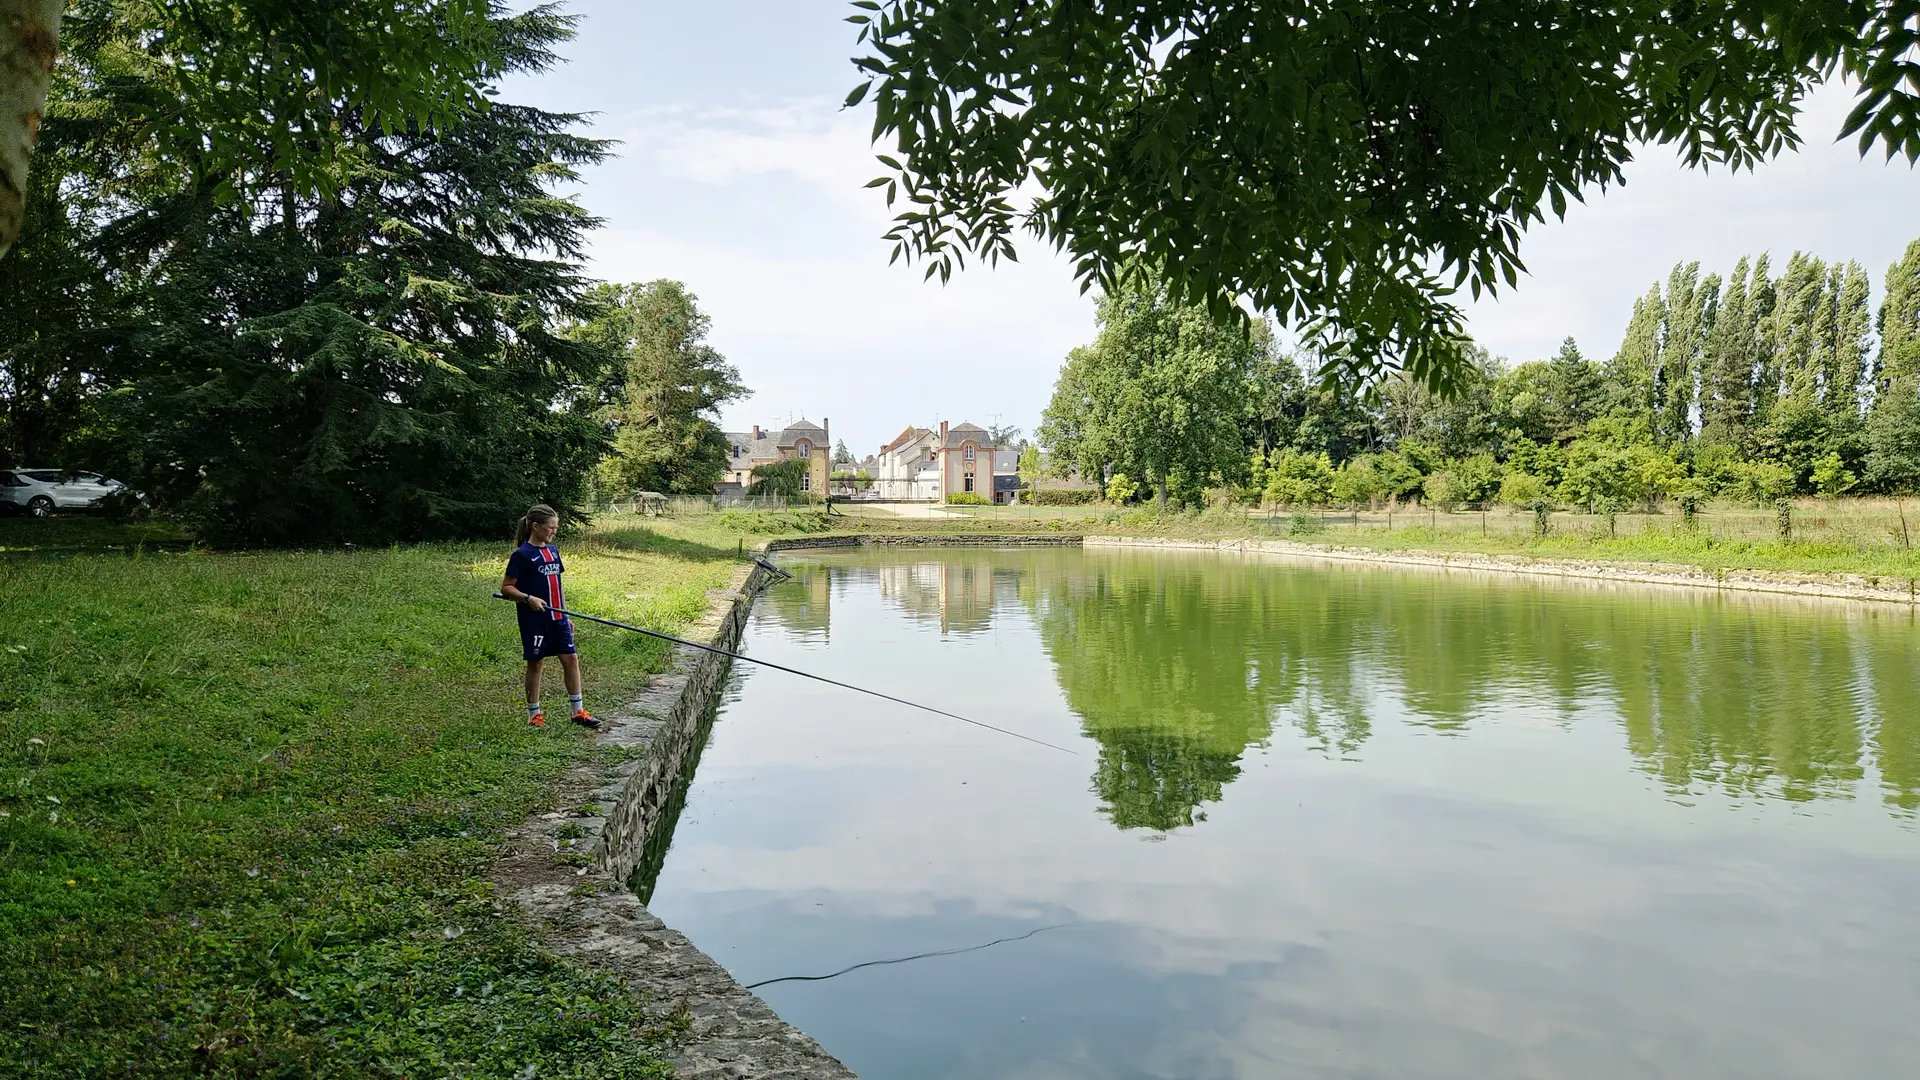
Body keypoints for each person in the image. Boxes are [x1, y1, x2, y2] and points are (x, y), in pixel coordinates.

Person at [501, 504, 599, 729]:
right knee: (536, 664)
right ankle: (534, 715)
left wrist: (565, 613)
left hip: (557, 618)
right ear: (535, 526)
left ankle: (578, 712)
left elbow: (557, 584)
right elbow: (506, 587)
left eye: (556, 528)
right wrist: (528, 598)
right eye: (550, 528)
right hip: (534, 620)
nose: (554, 532)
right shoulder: (522, 555)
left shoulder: (553, 551)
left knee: (571, 659)